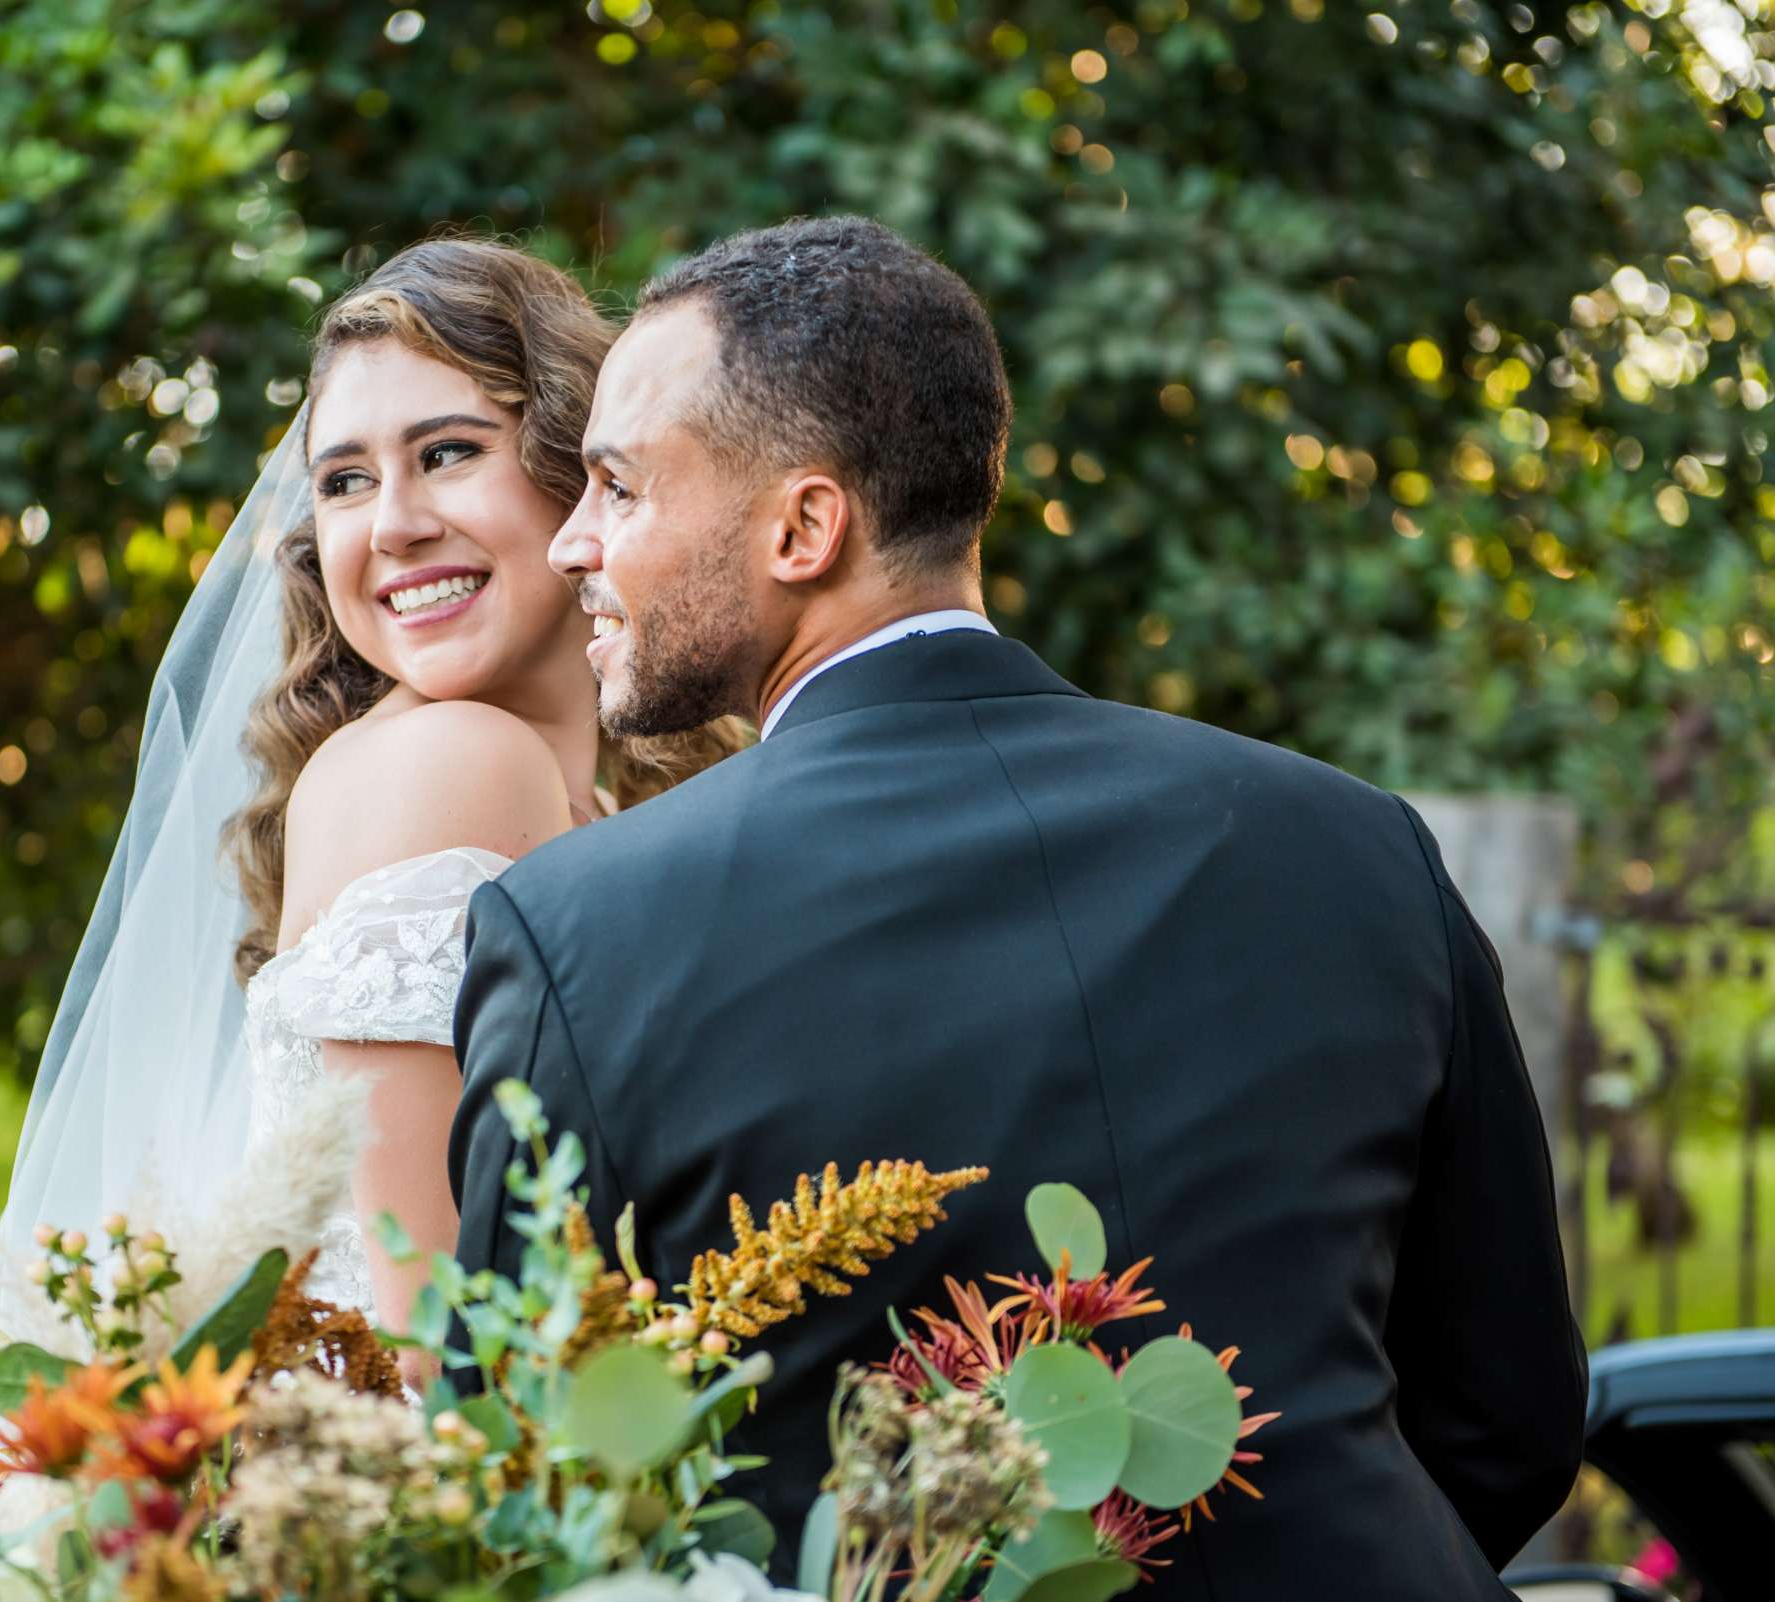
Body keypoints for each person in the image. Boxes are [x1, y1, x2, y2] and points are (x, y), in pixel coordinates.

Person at [448, 215, 1588, 1595]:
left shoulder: (578, 931)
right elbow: (1509, 1411)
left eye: (618, 487)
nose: (573, 540)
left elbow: (527, 1474)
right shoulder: (1354, 845)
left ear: (803, 527)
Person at [0, 239, 739, 1413]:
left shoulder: (571, 798)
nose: (395, 524)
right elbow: (418, 1335)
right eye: (347, 481)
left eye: (448, 454)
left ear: (582, 472)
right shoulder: (458, 761)